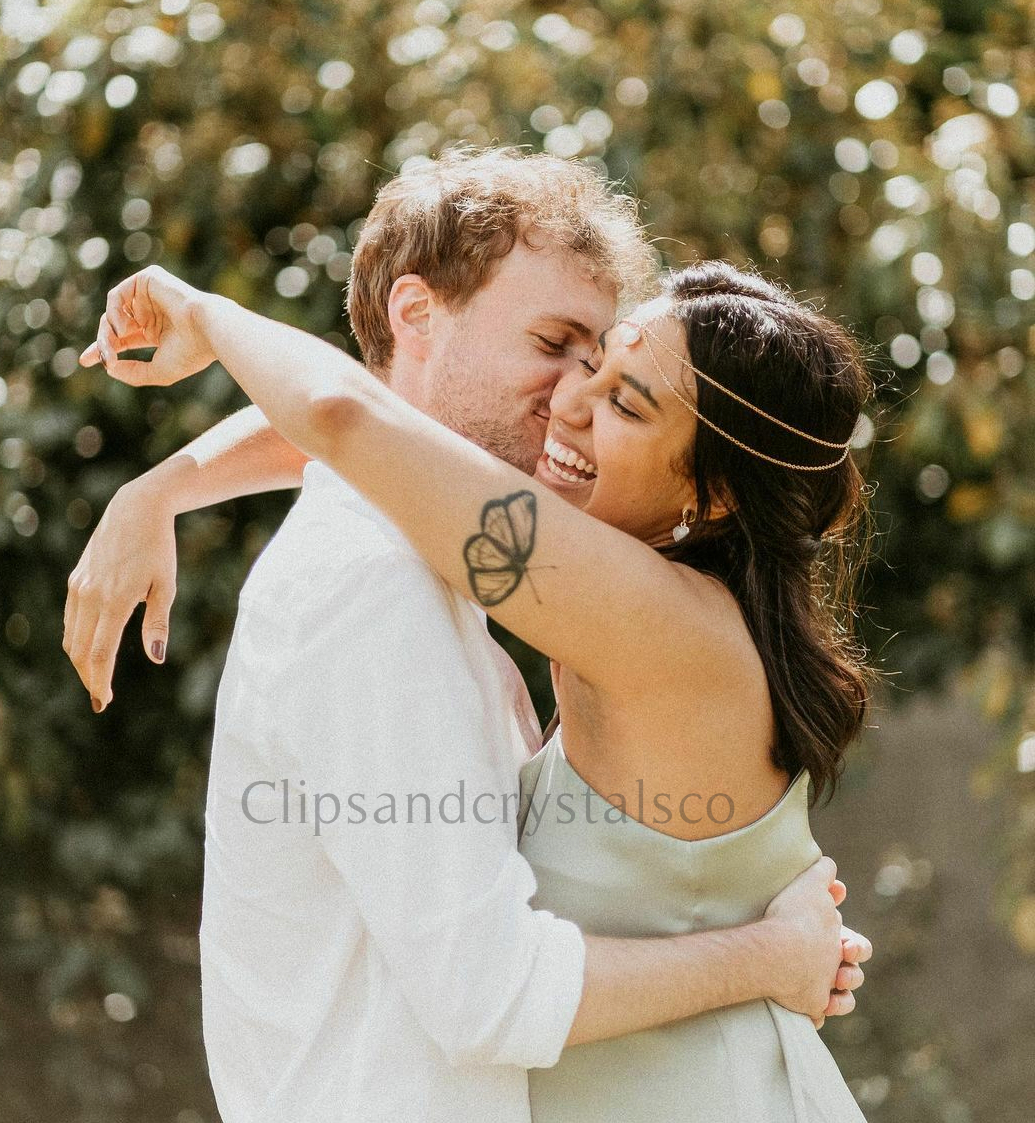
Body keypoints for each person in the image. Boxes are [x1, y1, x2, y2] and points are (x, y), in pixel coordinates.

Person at [66, 151, 871, 1121]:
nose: (572, 397)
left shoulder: (642, 613)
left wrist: (199, 315)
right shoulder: (398, 578)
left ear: (710, 490)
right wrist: (170, 483)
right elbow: (379, 437)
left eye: (614, 388)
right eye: (567, 350)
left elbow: (352, 419)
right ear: (415, 317)